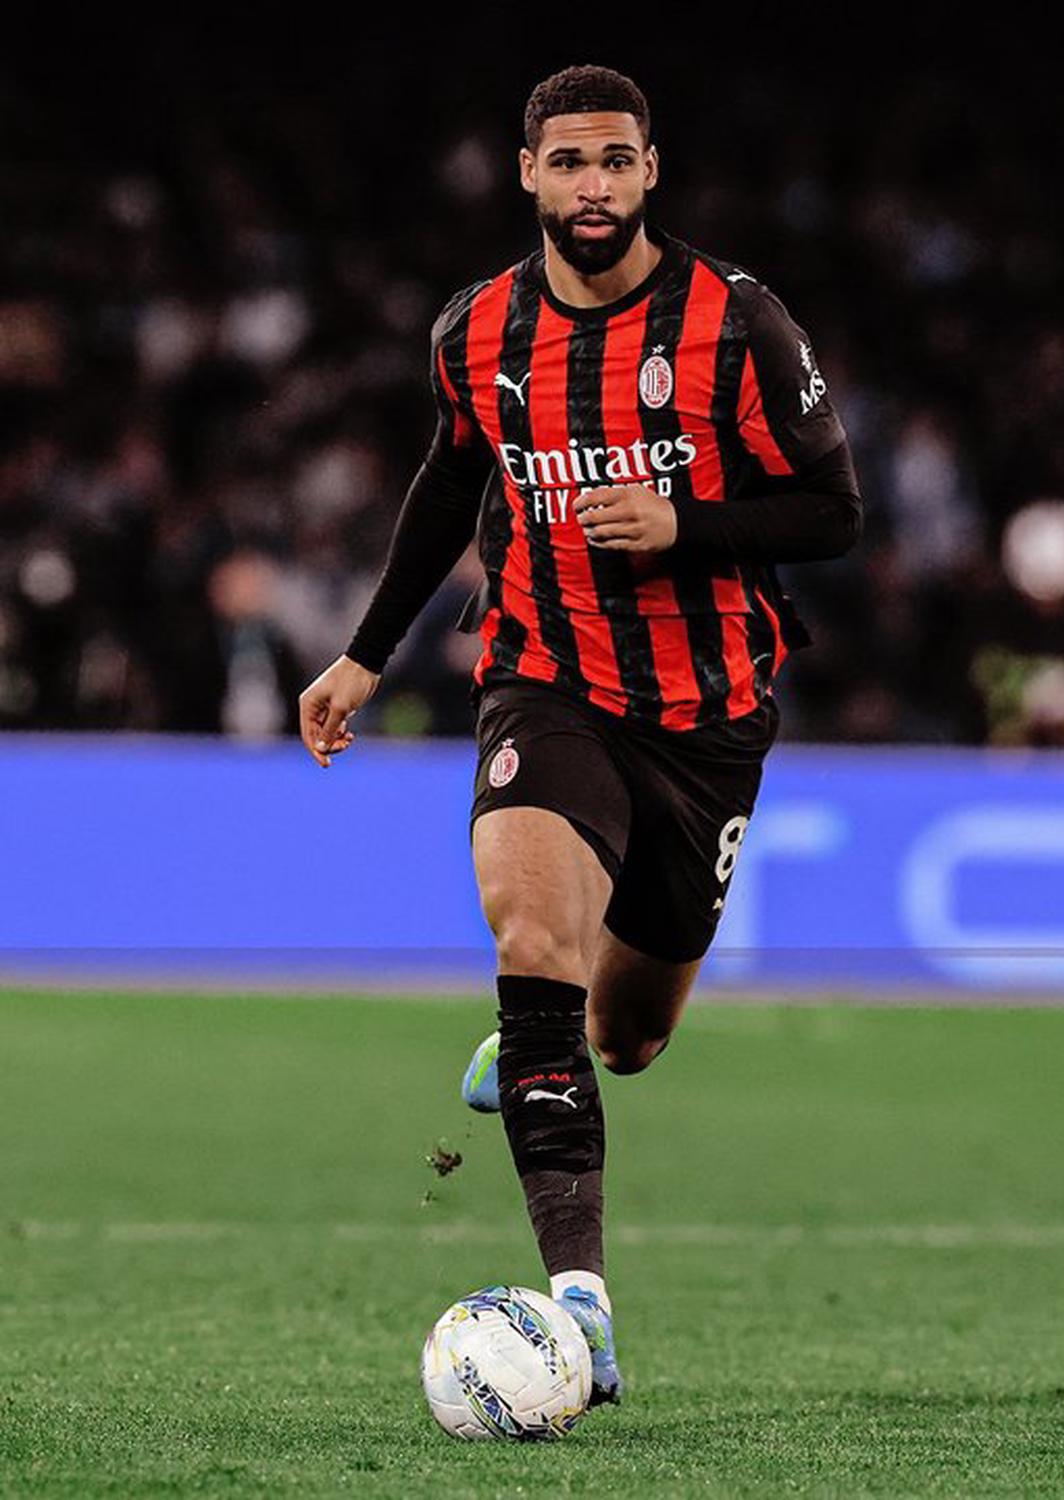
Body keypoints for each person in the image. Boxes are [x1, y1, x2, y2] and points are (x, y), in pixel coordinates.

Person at [298, 63, 863, 1408]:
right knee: (531, 942)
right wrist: (365, 652)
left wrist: (688, 525)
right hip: (544, 682)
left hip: (709, 719)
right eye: (569, 163)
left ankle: (543, 1037)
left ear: (650, 172)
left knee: (626, 1037)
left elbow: (833, 512)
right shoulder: (478, 328)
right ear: (527, 174)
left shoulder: (736, 322)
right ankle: (582, 1314)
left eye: (617, 161)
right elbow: (451, 479)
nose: (593, 187)